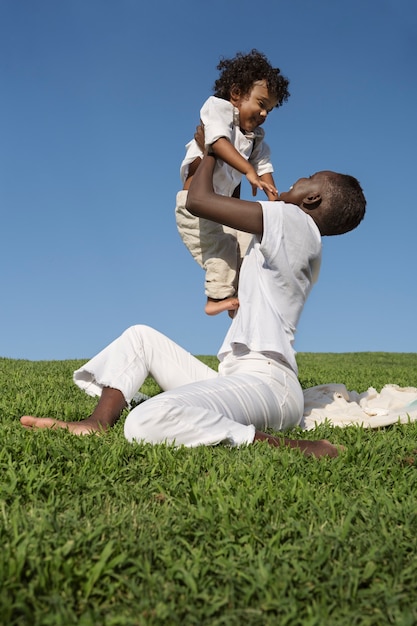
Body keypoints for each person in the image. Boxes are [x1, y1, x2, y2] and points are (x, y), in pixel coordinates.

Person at [20, 154, 366, 458]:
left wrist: (213, 149)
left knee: (147, 421)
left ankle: (302, 449)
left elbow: (198, 201)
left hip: (268, 386)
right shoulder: (294, 236)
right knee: (140, 338)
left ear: (313, 196)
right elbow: (227, 210)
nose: (299, 179)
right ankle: (96, 423)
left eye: (309, 177)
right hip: (246, 379)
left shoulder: (291, 221)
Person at [176, 49, 290, 316]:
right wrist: (247, 170)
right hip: (194, 207)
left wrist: (276, 202)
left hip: (219, 209)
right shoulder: (219, 109)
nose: (264, 114)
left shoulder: (256, 137)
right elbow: (216, 142)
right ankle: (215, 297)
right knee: (222, 247)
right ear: (237, 94)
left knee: (248, 242)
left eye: (269, 110)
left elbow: (264, 167)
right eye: (261, 104)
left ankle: (236, 292)